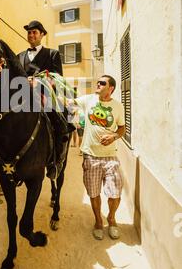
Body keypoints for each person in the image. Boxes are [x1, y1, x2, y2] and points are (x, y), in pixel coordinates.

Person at [18, 20, 74, 179]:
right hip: (22, 98)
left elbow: (57, 78)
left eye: (34, 32)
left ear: (42, 34)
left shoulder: (52, 54)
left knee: (63, 122)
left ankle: (56, 162)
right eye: (29, 32)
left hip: (45, 98)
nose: (31, 35)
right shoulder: (20, 56)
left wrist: (38, 81)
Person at [76, 75, 125, 241]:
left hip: (111, 156)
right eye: (98, 82)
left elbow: (122, 128)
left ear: (110, 88)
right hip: (91, 156)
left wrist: (113, 137)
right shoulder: (88, 99)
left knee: (115, 192)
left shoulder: (118, 106)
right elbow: (68, 102)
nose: (98, 84)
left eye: (102, 83)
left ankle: (111, 218)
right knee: (93, 192)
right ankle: (98, 221)